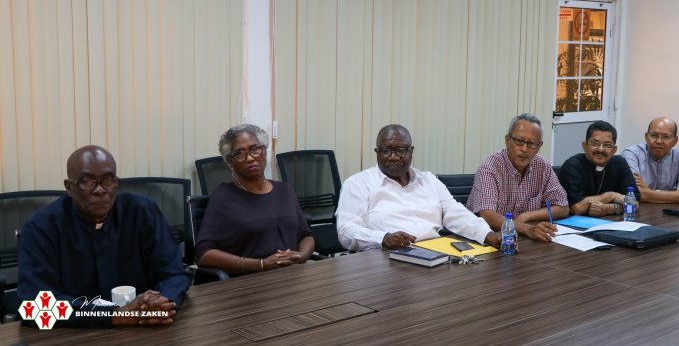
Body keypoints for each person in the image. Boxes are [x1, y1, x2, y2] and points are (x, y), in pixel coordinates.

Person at [18, 145, 191, 327]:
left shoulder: (141, 212)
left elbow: (174, 274)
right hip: (75, 333)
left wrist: (161, 303)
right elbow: (34, 306)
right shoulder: (41, 227)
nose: (100, 190)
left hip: (143, 326)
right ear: (69, 187)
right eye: (87, 181)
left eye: (108, 180)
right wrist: (114, 315)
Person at [336, 124, 500, 252]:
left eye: (400, 150)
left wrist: (488, 235)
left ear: (411, 151)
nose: (393, 157)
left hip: (435, 254)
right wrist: (383, 239)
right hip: (385, 257)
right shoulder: (357, 184)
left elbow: (456, 213)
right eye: (386, 151)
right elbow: (346, 230)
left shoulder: (429, 180)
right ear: (376, 152)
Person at [195, 124, 314, 275]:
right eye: (239, 153)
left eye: (255, 149)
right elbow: (203, 254)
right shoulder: (223, 197)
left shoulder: (285, 190)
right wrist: (261, 264)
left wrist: (301, 256)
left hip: (292, 276)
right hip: (251, 281)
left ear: (264, 151)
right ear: (230, 161)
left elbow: (305, 235)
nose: (250, 158)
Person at [467, 113, 568, 242]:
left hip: (525, 240)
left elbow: (562, 207)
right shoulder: (490, 167)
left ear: (539, 146)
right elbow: (487, 215)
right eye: (519, 141)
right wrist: (526, 229)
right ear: (507, 140)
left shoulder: (543, 166)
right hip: (488, 240)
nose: (524, 149)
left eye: (531, 144)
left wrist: (527, 216)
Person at [558, 121, 640, 217]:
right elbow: (577, 208)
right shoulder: (572, 166)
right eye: (595, 143)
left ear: (614, 150)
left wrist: (608, 209)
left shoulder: (620, 163)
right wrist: (611, 196)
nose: (601, 149)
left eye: (607, 145)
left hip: (612, 222)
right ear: (584, 146)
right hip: (575, 224)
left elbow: (635, 203)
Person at [621, 117, 679, 203]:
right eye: (654, 135)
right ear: (646, 137)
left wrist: (648, 192)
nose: (659, 141)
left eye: (666, 137)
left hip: (669, 210)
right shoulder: (631, 154)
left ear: (675, 141)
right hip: (637, 209)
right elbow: (634, 194)